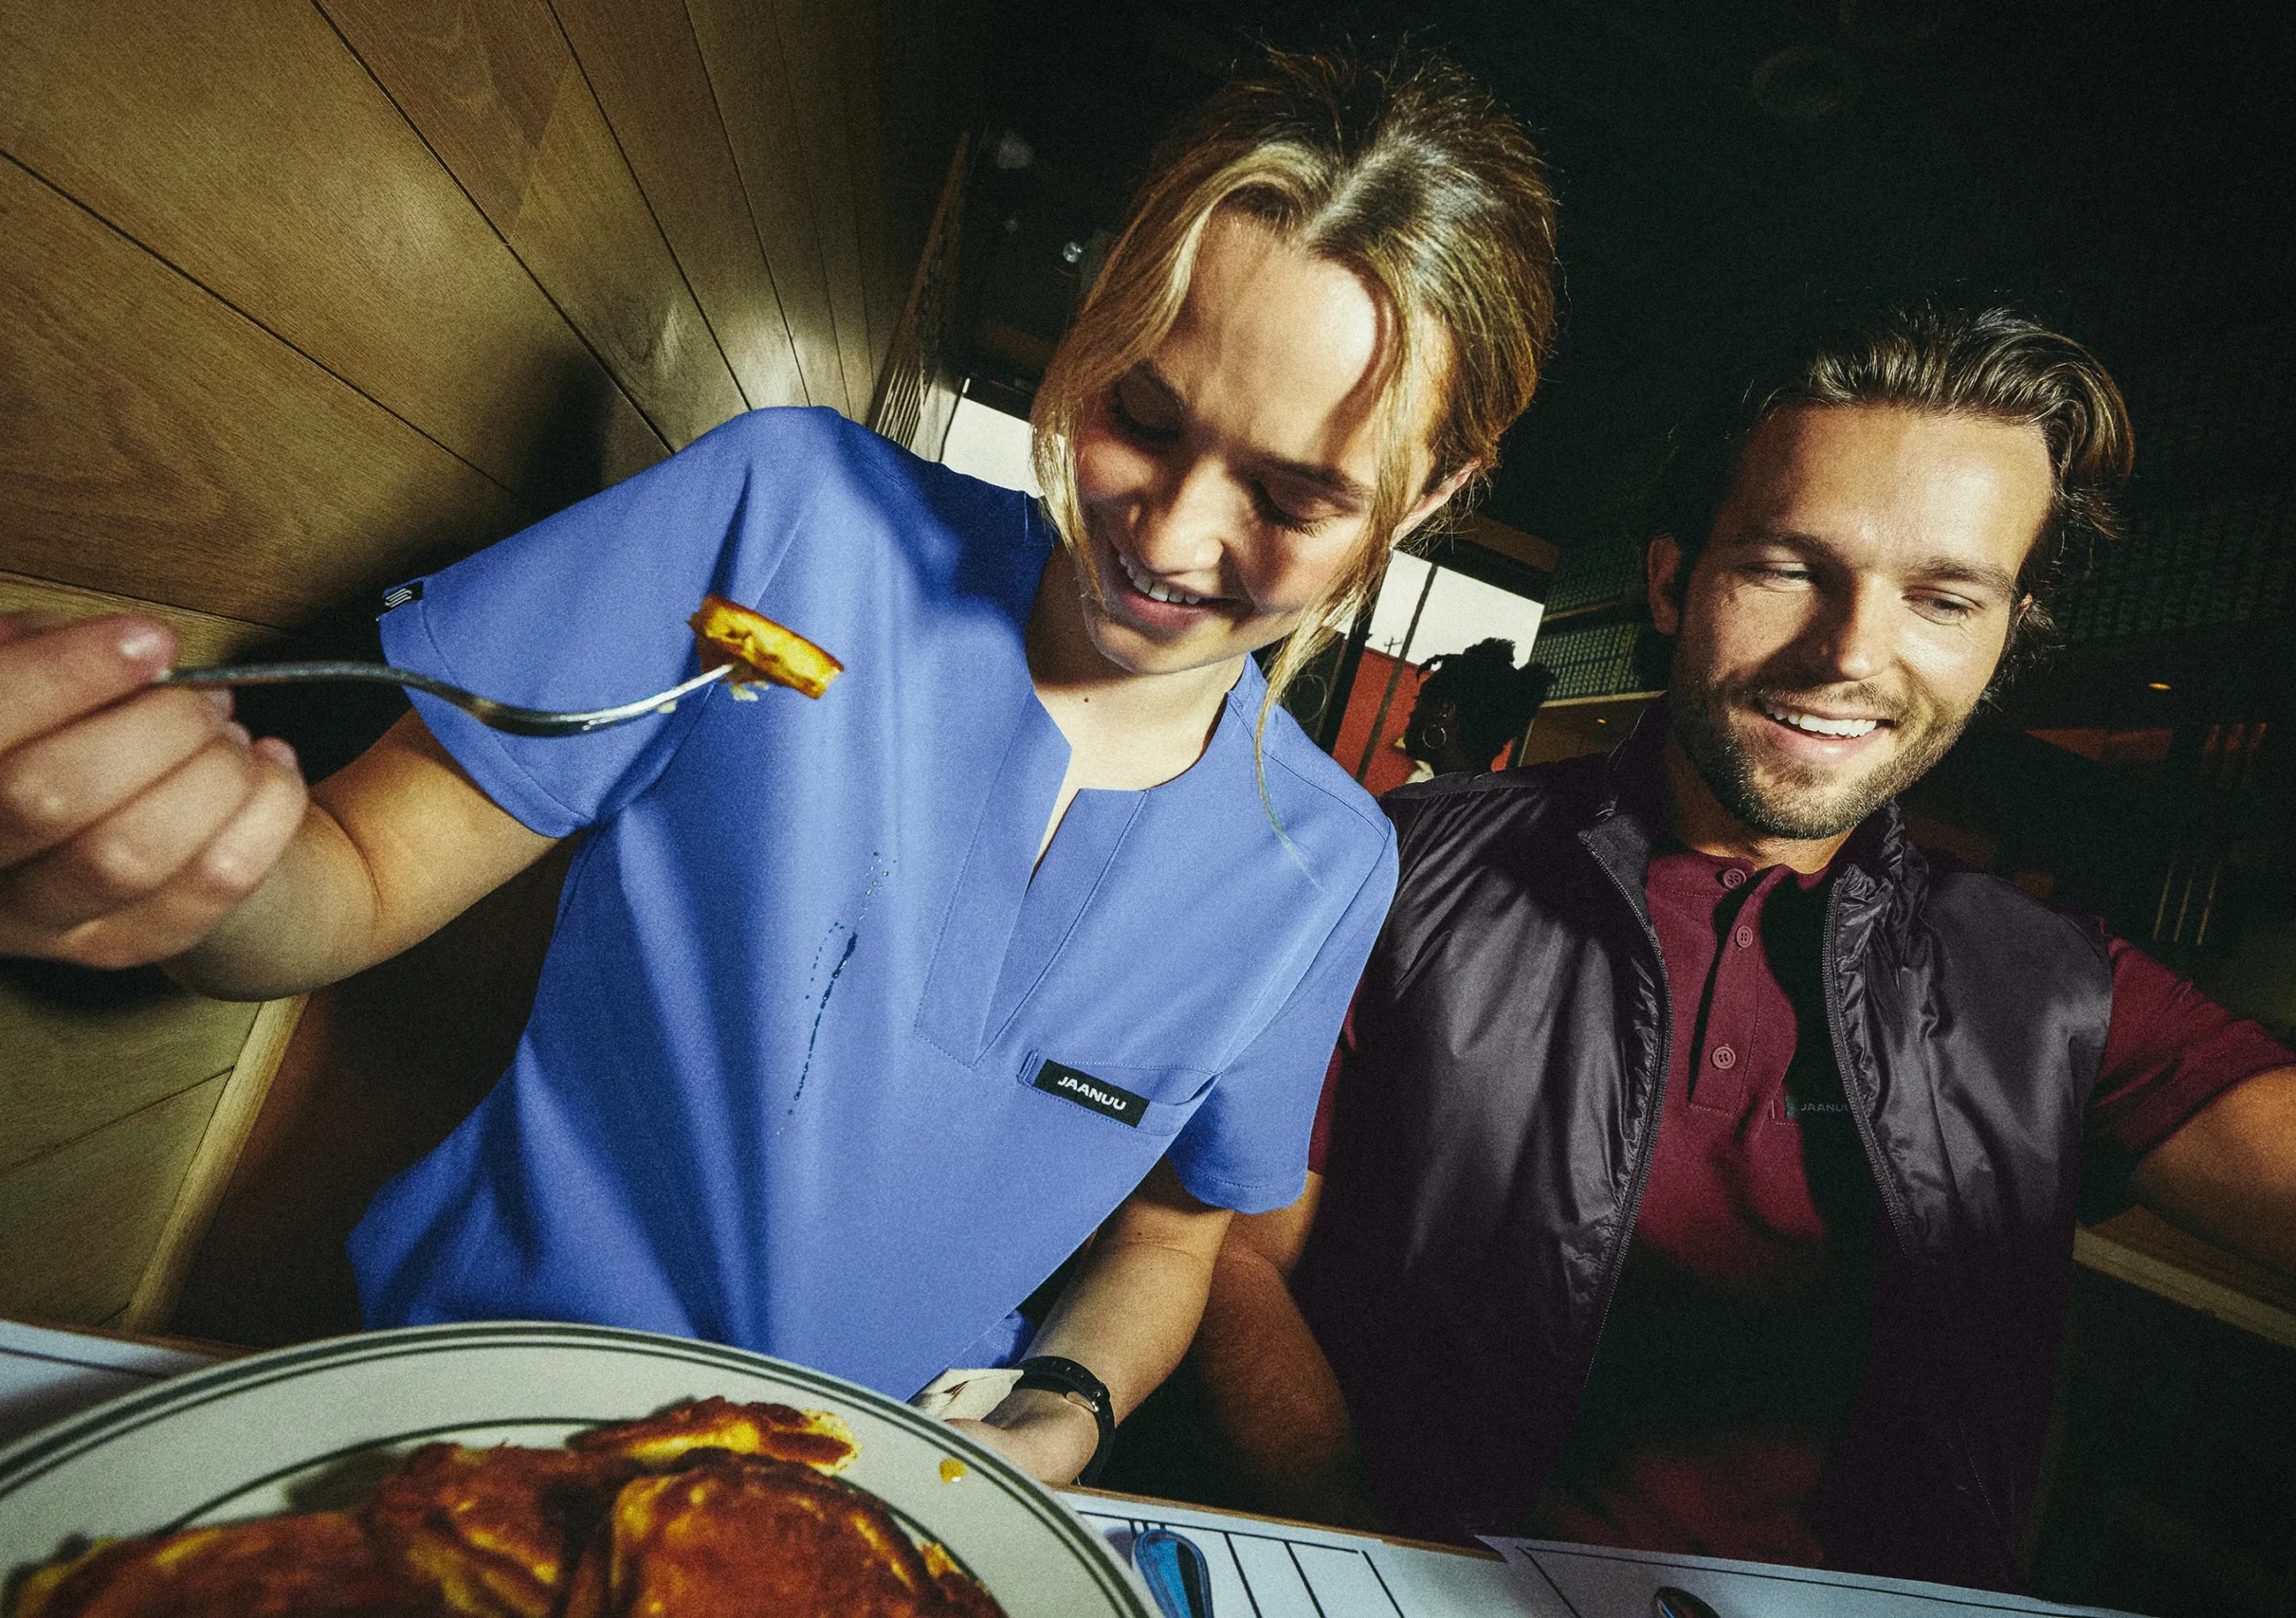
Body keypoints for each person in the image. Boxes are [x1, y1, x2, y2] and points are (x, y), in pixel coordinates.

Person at [0, 48, 1557, 1486]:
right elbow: (350, 873)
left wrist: (1063, 1410)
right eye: (1139, 413)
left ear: (1425, 499)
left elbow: (1173, 1228)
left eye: (1292, 499)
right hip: (473, 1417)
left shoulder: (1330, 861)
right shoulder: (785, 512)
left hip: (854, 1507)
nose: (1166, 531)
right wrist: (197, 873)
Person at [1190, 300, 2296, 1581]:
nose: (1850, 653)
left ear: (2002, 639)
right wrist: (1375, 1569)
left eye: (1944, 597)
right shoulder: (1399, 864)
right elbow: (1230, 1256)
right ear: (1673, 578)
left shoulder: (2053, 984)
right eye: (1787, 567)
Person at [1399, 636, 1555, 780]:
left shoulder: (1416, 804)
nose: (1411, 714)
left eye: (1419, 702)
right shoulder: (1498, 803)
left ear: (1445, 712)